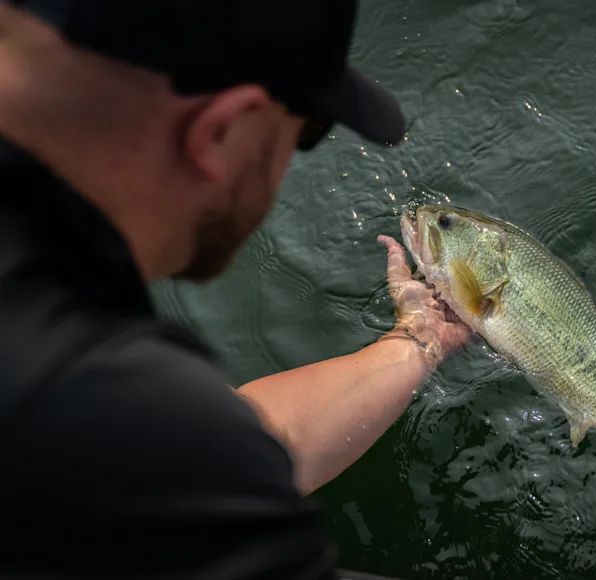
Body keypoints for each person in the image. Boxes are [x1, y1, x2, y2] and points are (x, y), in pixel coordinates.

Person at [0, 0, 471, 577]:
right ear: (220, 131)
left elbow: (205, 452)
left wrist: (417, 343)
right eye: (308, 130)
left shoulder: (88, 400)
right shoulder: (87, 395)